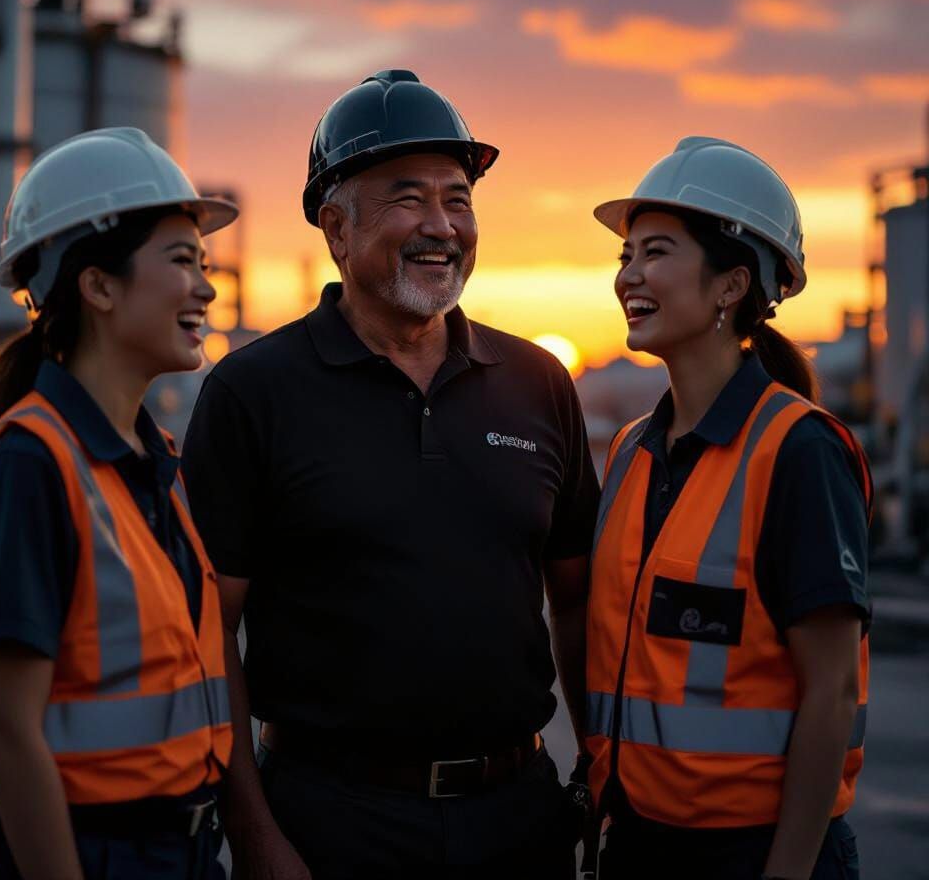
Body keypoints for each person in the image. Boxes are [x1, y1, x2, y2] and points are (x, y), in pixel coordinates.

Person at [182, 69, 600, 880]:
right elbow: (207, 636)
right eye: (408, 198)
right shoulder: (253, 393)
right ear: (336, 227)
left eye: (459, 198)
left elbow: (577, 600)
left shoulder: (539, 383)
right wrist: (257, 833)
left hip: (519, 818)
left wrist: (596, 768)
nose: (441, 225)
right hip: (329, 824)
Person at [0, 128, 238, 880]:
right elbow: (9, 730)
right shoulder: (28, 468)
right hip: (85, 852)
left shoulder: (151, 461)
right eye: (180, 261)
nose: (206, 287)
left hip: (180, 850)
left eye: (204, 264)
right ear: (98, 286)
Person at [584, 137, 871, 880]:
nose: (630, 276)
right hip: (640, 846)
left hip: (759, 854)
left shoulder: (798, 452)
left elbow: (831, 694)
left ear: (730, 286)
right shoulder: (629, 453)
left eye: (656, 252)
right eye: (626, 256)